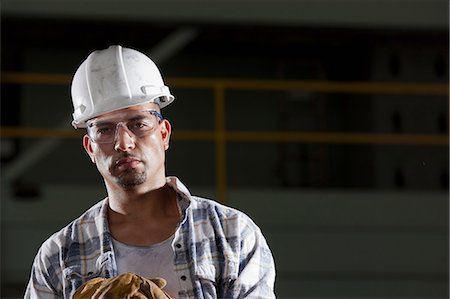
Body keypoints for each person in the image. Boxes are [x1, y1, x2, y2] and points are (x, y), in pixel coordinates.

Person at [24, 45, 276, 299]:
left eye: (138, 124)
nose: (124, 143)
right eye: (104, 130)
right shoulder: (59, 256)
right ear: (90, 148)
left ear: (164, 134)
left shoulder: (232, 234)